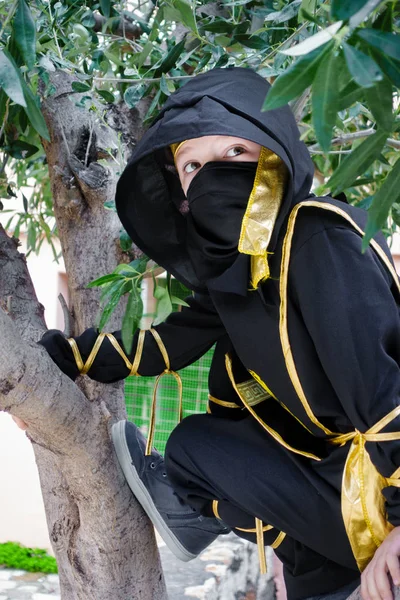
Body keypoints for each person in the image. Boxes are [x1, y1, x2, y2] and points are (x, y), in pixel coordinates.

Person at [30, 67, 400, 600]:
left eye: (234, 154)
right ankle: (280, 540)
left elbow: (386, 397)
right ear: (179, 186)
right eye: (193, 164)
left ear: (275, 154)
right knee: (192, 446)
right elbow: (165, 344)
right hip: (324, 505)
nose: (211, 177)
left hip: (379, 501)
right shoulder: (236, 275)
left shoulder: (317, 236)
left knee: (194, 452)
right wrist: (72, 357)